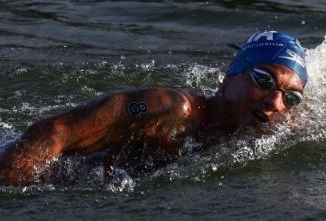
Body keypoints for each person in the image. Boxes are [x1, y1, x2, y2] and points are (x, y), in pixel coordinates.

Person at [0, 31, 308, 186]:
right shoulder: (172, 110)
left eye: (291, 97)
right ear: (230, 78)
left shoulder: (272, 126)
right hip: (45, 178)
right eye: (264, 80)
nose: (275, 101)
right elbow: (54, 132)